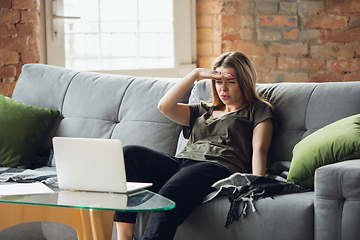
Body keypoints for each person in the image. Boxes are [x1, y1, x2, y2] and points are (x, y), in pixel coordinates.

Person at [114, 51, 274, 240]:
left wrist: (255, 183)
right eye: (218, 81)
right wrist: (195, 74)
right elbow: (164, 106)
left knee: (168, 195)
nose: (223, 88)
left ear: (244, 82)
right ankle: (124, 237)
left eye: (230, 82)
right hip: (183, 163)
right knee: (129, 154)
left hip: (217, 166)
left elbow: (259, 149)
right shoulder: (203, 110)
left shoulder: (258, 109)